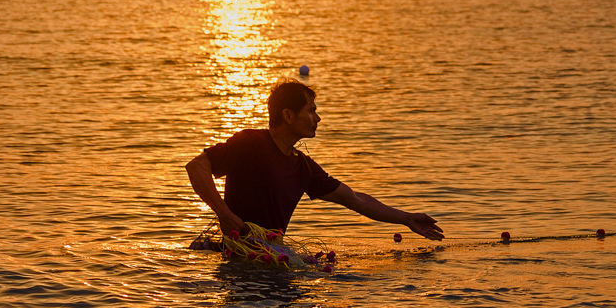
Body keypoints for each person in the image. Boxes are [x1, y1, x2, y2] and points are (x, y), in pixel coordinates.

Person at [185, 80, 443, 242]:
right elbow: (197, 166)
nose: (318, 119)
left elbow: (355, 199)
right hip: (238, 255)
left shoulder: (303, 167)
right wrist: (225, 214)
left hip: (269, 255)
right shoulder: (250, 143)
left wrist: (406, 218)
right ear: (288, 115)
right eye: (311, 111)